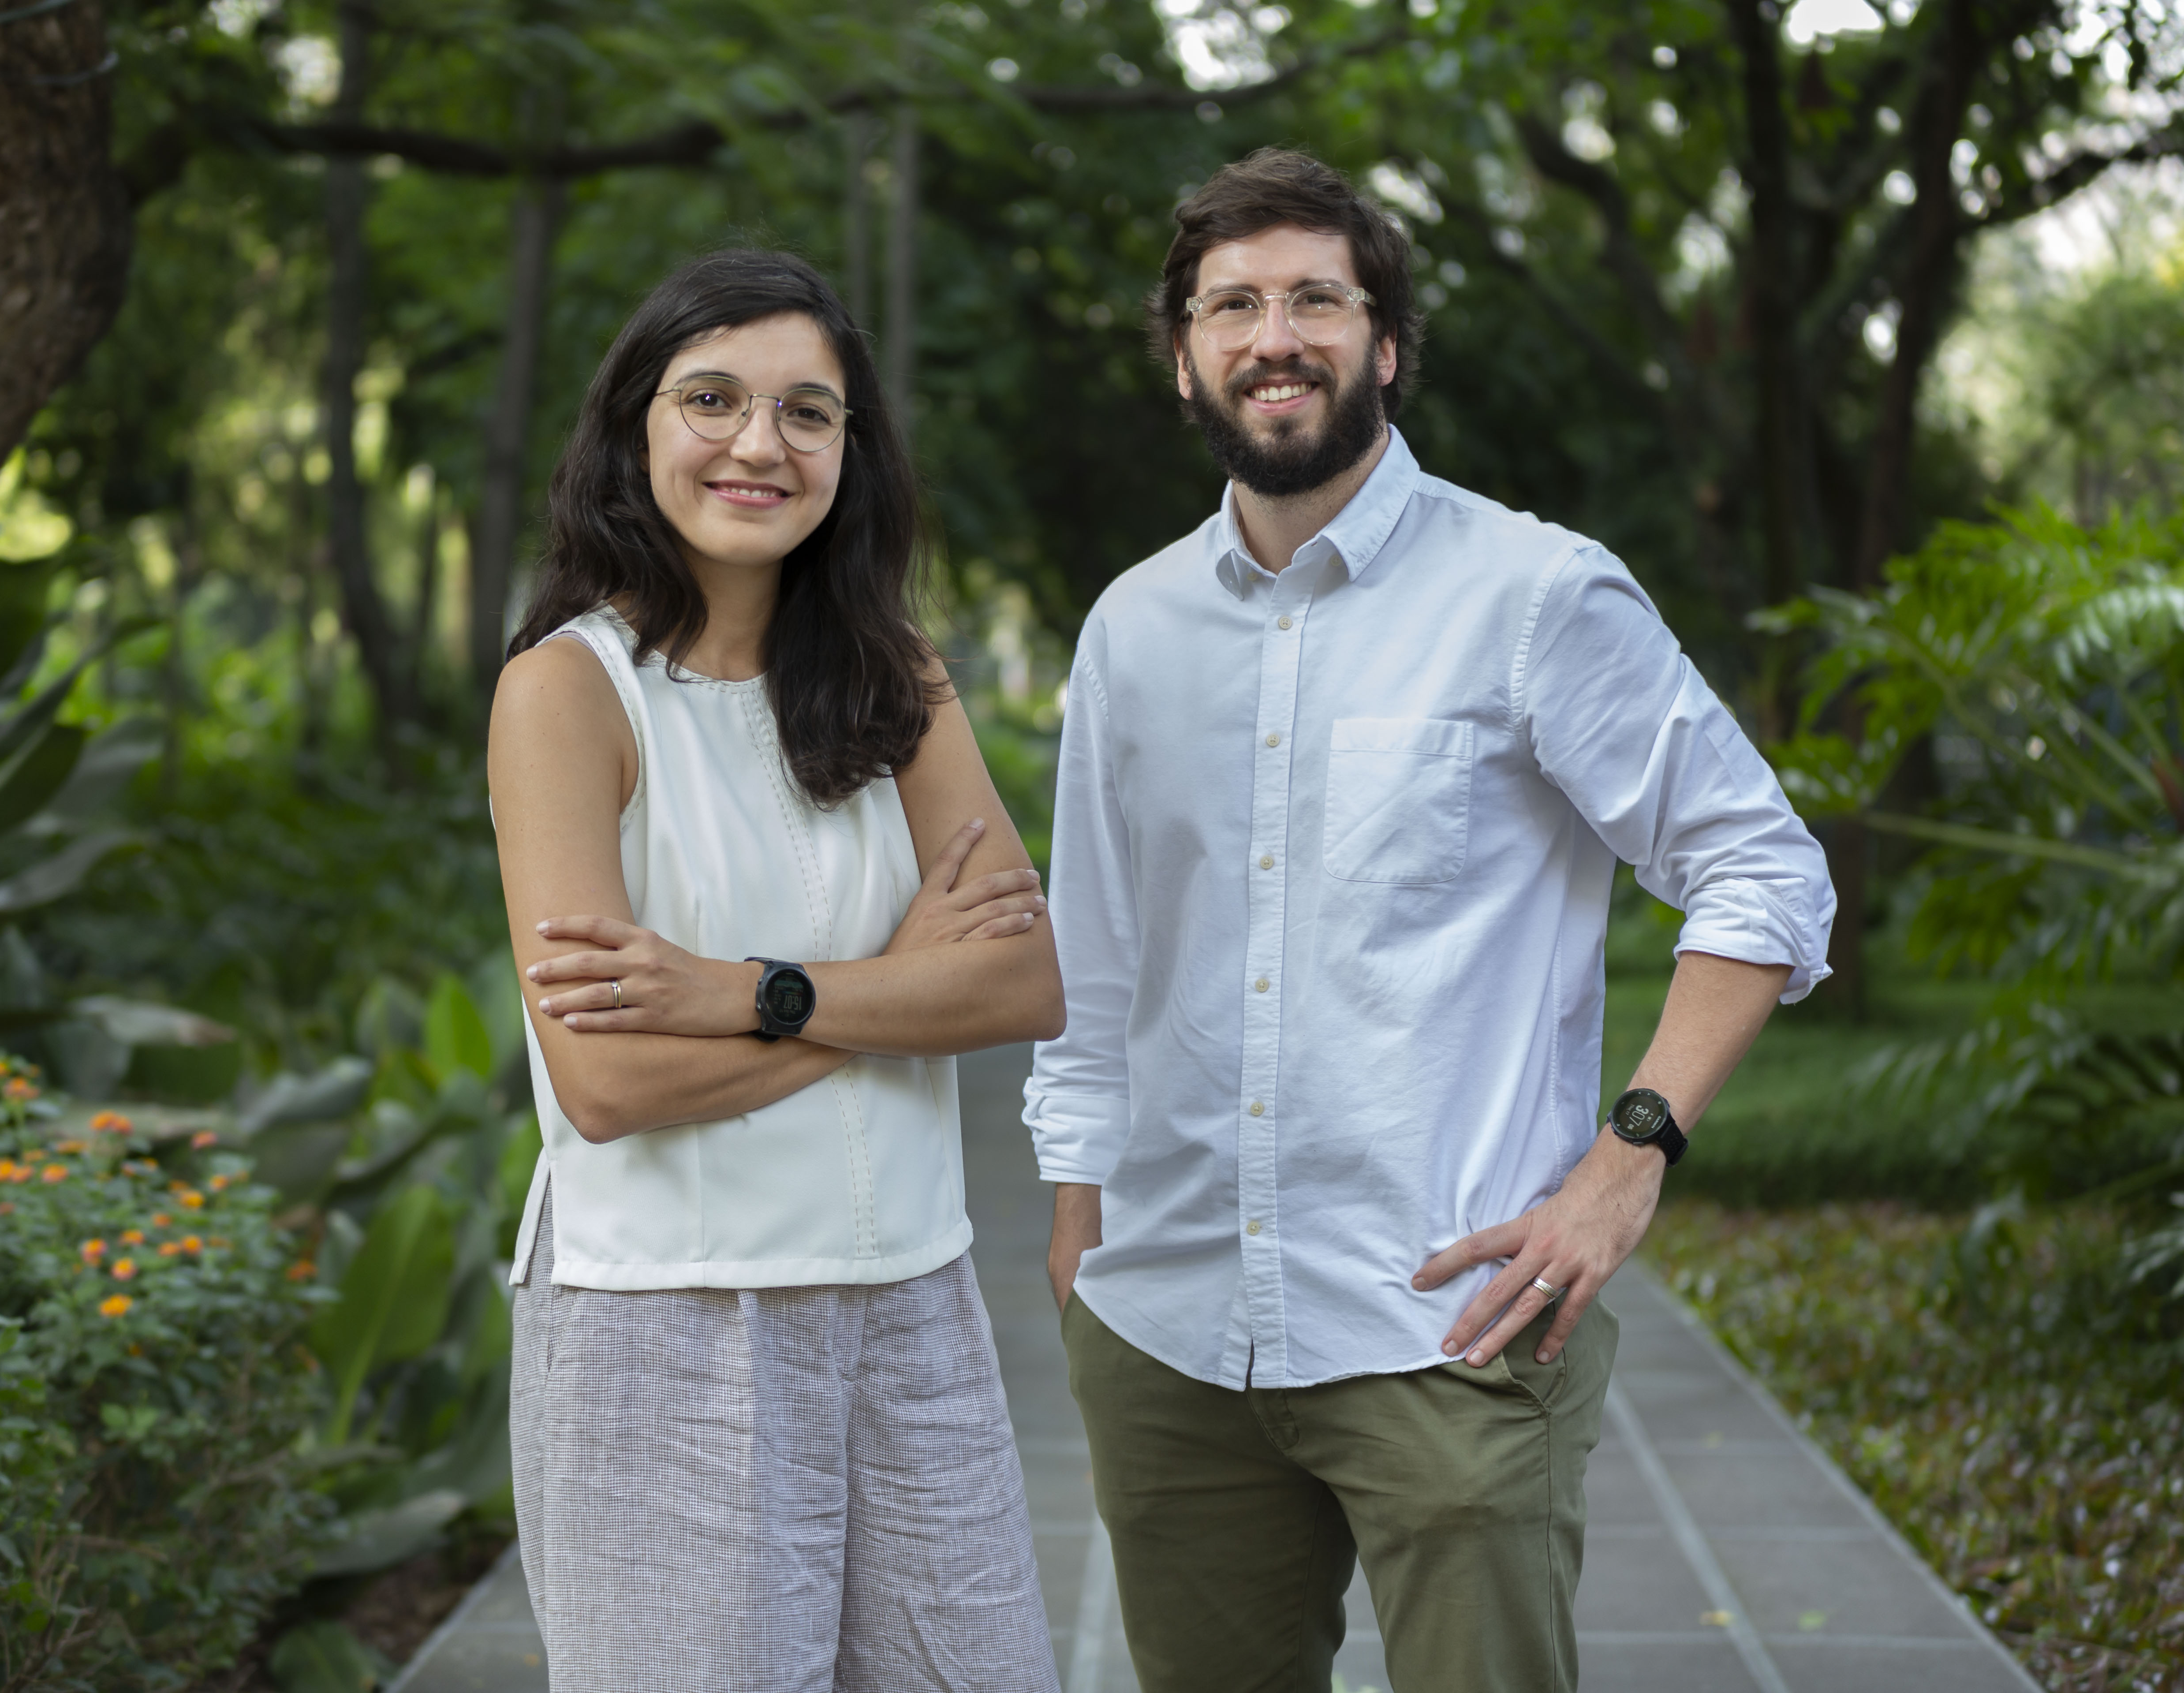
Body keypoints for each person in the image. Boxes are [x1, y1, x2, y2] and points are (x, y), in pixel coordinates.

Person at [1023, 149, 1837, 1692]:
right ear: (1186, 356)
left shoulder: (1536, 594)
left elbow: (1765, 872)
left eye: (1316, 299)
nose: (1276, 335)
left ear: (1384, 346)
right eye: (1234, 304)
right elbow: (1101, 951)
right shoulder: (1132, 629)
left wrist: (1627, 1162)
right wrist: (1079, 1229)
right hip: (1170, 1336)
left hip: (1449, 1334)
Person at [487, 248, 1065, 1693]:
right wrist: (895, 989)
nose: (762, 443)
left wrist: (748, 991)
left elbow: (1022, 986)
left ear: (849, 455)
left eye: (810, 411)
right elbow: (610, 1081)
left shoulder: (899, 681)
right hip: (669, 1320)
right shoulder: (569, 693)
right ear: (637, 426)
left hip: (912, 1302)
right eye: (714, 399)